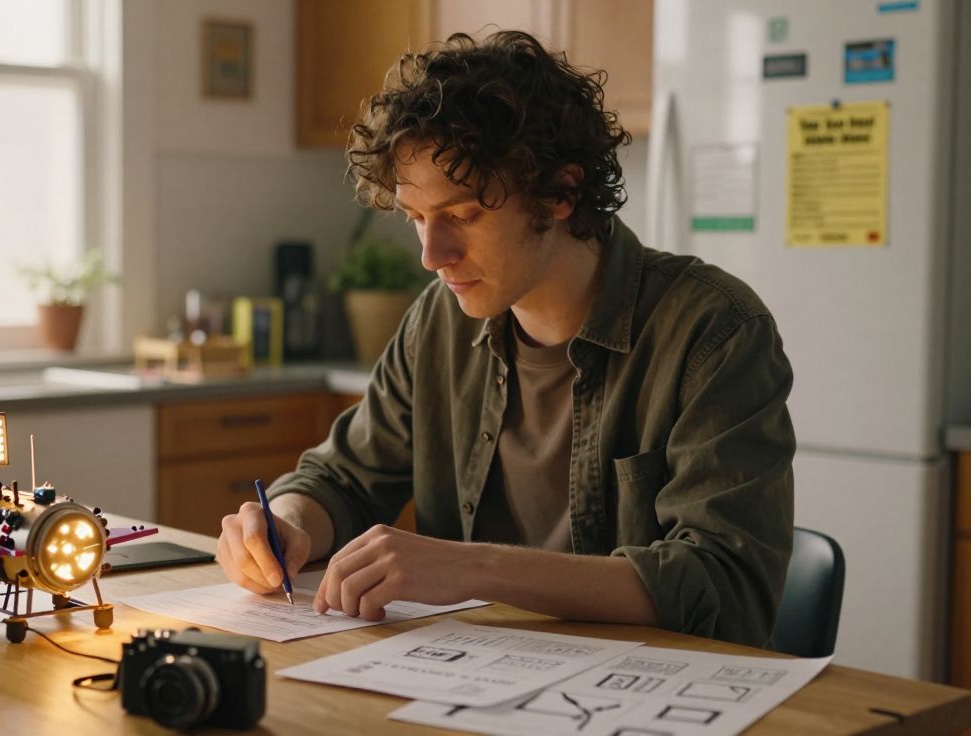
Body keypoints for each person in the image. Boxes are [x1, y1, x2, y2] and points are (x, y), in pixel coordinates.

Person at [215, 31, 794, 647]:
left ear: (562, 193)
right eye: (416, 219)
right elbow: (344, 479)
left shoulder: (713, 329)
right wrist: (286, 522)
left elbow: (720, 583)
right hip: (470, 675)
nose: (431, 256)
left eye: (463, 215)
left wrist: (470, 568)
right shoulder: (438, 321)